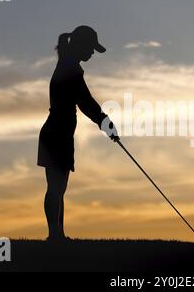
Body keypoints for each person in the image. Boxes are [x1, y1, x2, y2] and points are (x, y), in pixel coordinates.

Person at [37, 25, 119, 242]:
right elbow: (85, 101)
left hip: (59, 132)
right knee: (56, 187)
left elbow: (84, 101)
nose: (92, 53)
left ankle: (58, 235)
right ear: (81, 45)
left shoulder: (68, 65)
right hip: (56, 133)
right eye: (91, 48)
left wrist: (104, 122)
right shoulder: (69, 68)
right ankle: (54, 235)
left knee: (59, 187)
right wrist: (104, 122)